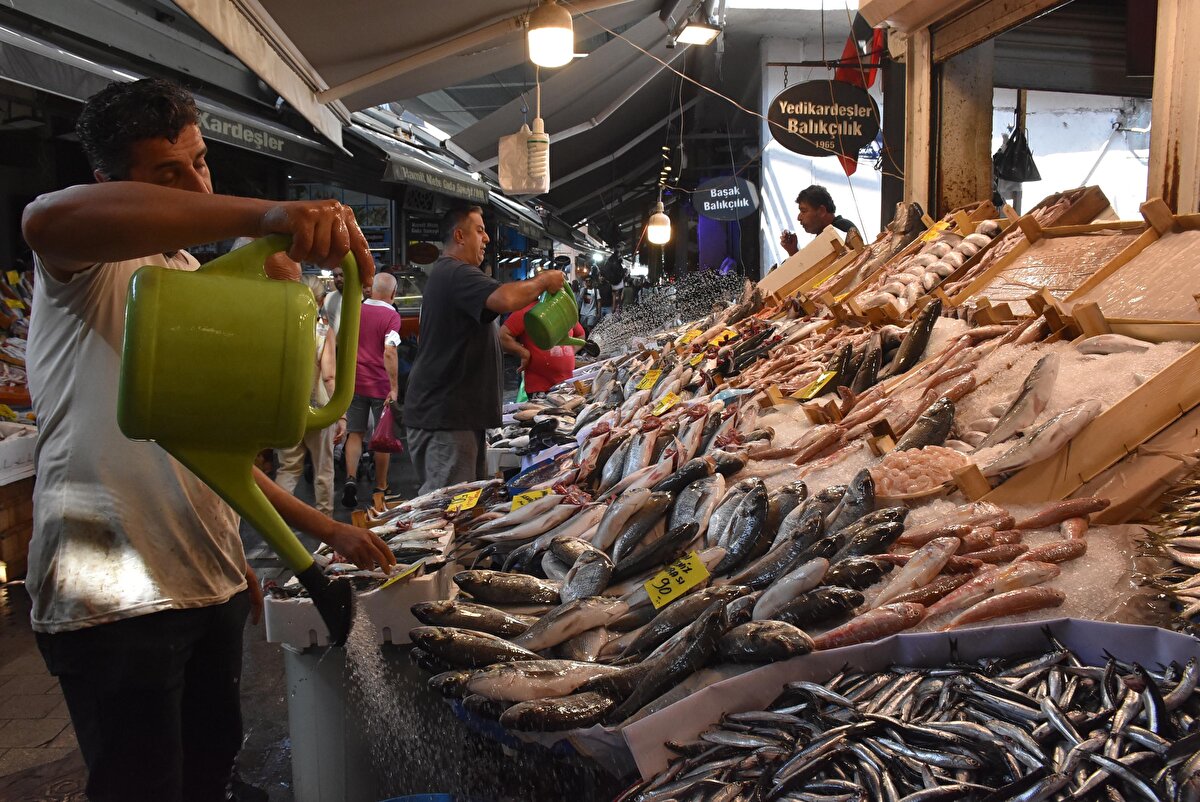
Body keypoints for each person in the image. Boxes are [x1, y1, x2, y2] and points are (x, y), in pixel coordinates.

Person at [20, 78, 396, 802]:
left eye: (200, 163)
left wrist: (319, 532)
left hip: (205, 584)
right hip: (108, 594)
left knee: (209, 774)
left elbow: (213, 452)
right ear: (109, 181)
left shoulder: (192, 279)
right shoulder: (87, 272)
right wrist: (268, 214)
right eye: (168, 174)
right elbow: (45, 219)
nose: (195, 184)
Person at [403, 205, 565, 495]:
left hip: (458, 417)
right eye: (480, 230)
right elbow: (504, 298)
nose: (487, 238)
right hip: (446, 418)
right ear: (459, 236)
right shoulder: (455, 272)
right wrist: (543, 280)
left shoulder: (453, 275)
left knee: (466, 506)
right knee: (446, 511)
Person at [275, 277, 343, 515]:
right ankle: (326, 528)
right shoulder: (324, 331)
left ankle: (277, 526)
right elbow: (329, 376)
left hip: (288, 410)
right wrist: (341, 413)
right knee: (323, 471)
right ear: (321, 300)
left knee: (288, 468)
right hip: (319, 410)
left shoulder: (282, 329)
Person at [341, 272, 402, 507]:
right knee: (381, 437)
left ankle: (350, 479)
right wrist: (394, 387)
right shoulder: (391, 316)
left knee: (354, 433)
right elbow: (390, 350)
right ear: (393, 293)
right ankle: (381, 488)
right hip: (379, 385)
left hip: (355, 382)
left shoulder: (354, 310)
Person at [499, 301, 584, 399]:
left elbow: (580, 335)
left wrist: (569, 353)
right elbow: (503, 336)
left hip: (568, 383)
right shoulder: (527, 311)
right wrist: (523, 353)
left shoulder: (564, 309)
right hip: (540, 387)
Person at [779, 184, 861, 255]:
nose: (799, 218)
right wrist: (793, 251)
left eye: (803, 211)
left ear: (822, 211)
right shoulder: (824, 233)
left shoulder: (841, 228)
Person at [322, 264, 344, 335]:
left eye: (342, 275)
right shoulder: (329, 297)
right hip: (333, 344)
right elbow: (324, 322)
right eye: (335, 276)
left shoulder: (360, 298)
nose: (338, 279)